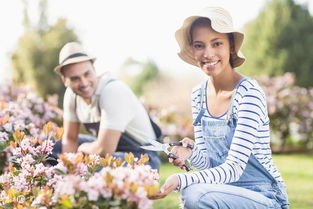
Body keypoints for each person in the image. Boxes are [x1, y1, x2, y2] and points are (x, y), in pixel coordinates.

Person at [150, 7, 289, 209]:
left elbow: (233, 169)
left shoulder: (249, 93)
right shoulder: (198, 94)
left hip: (265, 197)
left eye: (216, 43)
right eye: (199, 45)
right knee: (195, 193)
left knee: (195, 194)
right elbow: (210, 164)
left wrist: (181, 180)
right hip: (224, 191)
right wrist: (191, 154)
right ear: (192, 50)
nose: (208, 54)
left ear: (231, 46)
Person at [52, 42, 161, 170]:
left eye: (87, 74)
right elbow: (70, 138)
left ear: (94, 70)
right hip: (108, 151)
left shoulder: (112, 90)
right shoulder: (72, 95)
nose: (84, 83)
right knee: (49, 145)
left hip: (143, 158)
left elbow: (104, 150)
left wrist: (82, 149)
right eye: (75, 78)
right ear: (65, 80)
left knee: (91, 167)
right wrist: (68, 167)